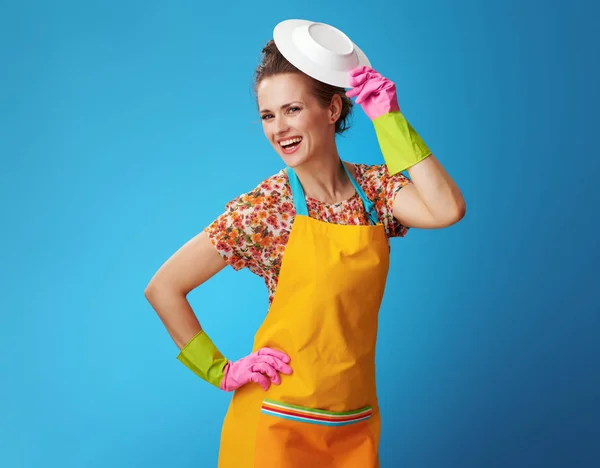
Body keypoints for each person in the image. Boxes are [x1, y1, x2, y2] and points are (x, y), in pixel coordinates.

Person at [145, 35, 465, 467]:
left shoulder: (374, 191)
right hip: (276, 426)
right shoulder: (268, 207)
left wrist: (389, 120)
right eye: (267, 115)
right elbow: (163, 288)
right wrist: (221, 371)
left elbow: (446, 209)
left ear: (332, 110)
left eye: (293, 109)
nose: (279, 128)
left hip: (353, 424)